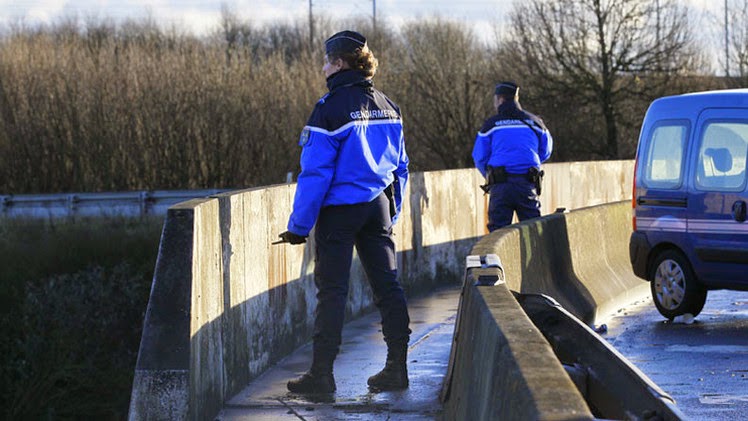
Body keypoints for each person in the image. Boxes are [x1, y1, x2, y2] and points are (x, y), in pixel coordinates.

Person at [277, 30, 411, 394]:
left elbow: (315, 174)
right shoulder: (389, 105)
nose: (323, 67)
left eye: (325, 61)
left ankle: (322, 375)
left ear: (339, 63)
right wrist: (391, 214)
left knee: (333, 292)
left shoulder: (329, 108)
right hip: (378, 207)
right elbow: (401, 168)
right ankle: (397, 369)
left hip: (339, 212)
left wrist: (299, 226)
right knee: (388, 287)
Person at [472, 81, 553, 231]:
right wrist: (528, 163)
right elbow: (546, 151)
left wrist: (490, 175)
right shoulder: (535, 123)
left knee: (498, 233)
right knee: (533, 230)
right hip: (527, 184)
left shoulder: (491, 125)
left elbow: (479, 157)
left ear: (500, 99)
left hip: (500, 185)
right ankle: (535, 255)